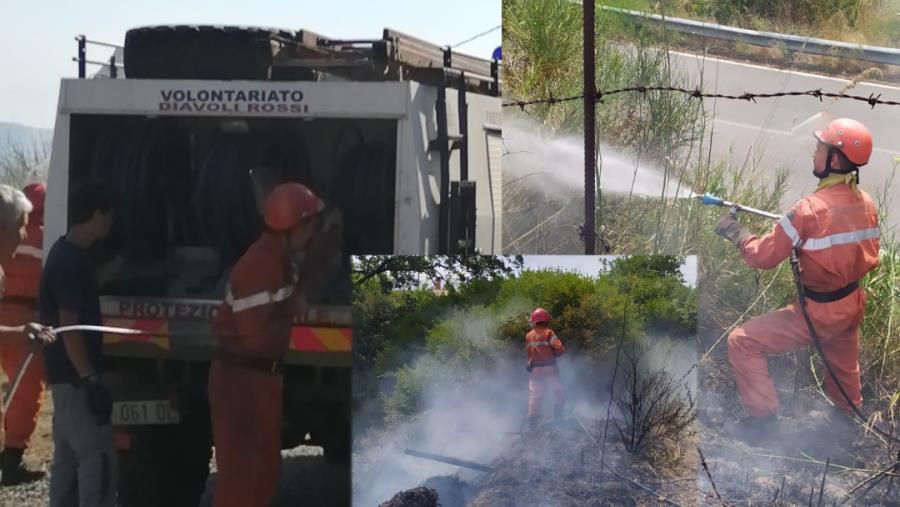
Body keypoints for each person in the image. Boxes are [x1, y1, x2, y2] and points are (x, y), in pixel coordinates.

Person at [715, 118, 880, 445]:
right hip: (851, 302)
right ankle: (847, 419)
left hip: (819, 312)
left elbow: (763, 257)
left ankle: (762, 423)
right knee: (843, 360)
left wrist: (738, 234)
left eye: (819, 148)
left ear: (834, 159)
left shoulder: (807, 210)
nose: (813, 154)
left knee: (742, 341)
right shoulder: (867, 203)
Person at [208, 182, 335, 507]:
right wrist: (295, 306)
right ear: (295, 227)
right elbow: (255, 337)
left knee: (265, 473)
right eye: (312, 226)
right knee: (242, 480)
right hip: (241, 385)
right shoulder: (261, 265)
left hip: (259, 381)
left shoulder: (280, 256)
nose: (313, 232)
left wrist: (322, 250)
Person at [42, 181, 118, 507]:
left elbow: (88, 287)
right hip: (75, 380)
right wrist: (90, 378)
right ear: (97, 215)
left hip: (62, 378)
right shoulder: (70, 263)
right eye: (109, 215)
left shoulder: (69, 254)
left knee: (68, 459)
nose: (111, 222)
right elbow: (70, 326)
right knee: (96, 456)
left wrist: (123, 263)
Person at [0, 183, 50, 486]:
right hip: (25, 319)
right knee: (26, 395)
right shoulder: (50, 236)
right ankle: (12, 459)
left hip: (10, 316)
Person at [525, 307, 565, 431]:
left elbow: (530, 354)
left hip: (535, 370)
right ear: (546, 320)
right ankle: (558, 419)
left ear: (534, 321)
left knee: (535, 396)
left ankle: (532, 427)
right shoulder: (549, 333)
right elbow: (559, 349)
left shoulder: (529, 335)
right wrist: (554, 354)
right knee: (559, 392)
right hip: (549, 369)